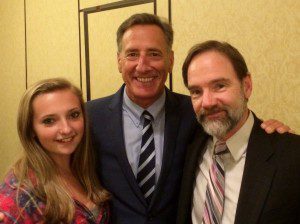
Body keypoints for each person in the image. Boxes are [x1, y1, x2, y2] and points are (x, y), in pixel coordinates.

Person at [86, 13, 291, 224]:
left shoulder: (195, 114)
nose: (143, 65)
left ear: (170, 60)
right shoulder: (90, 117)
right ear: (119, 61)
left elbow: (235, 121)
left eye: (155, 54)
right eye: (132, 54)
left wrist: (273, 135)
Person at [177, 40, 300, 224]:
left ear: (247, 86)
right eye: (196, 91)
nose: (208, 102)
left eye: (219, 86)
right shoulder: (189, 145)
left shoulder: (292, 156)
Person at [0, 78, 110, 223]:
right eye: (49, 121)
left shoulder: (85, 168)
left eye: (74, 115)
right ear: (31, 129)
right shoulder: (20, 193)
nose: (66, 129)